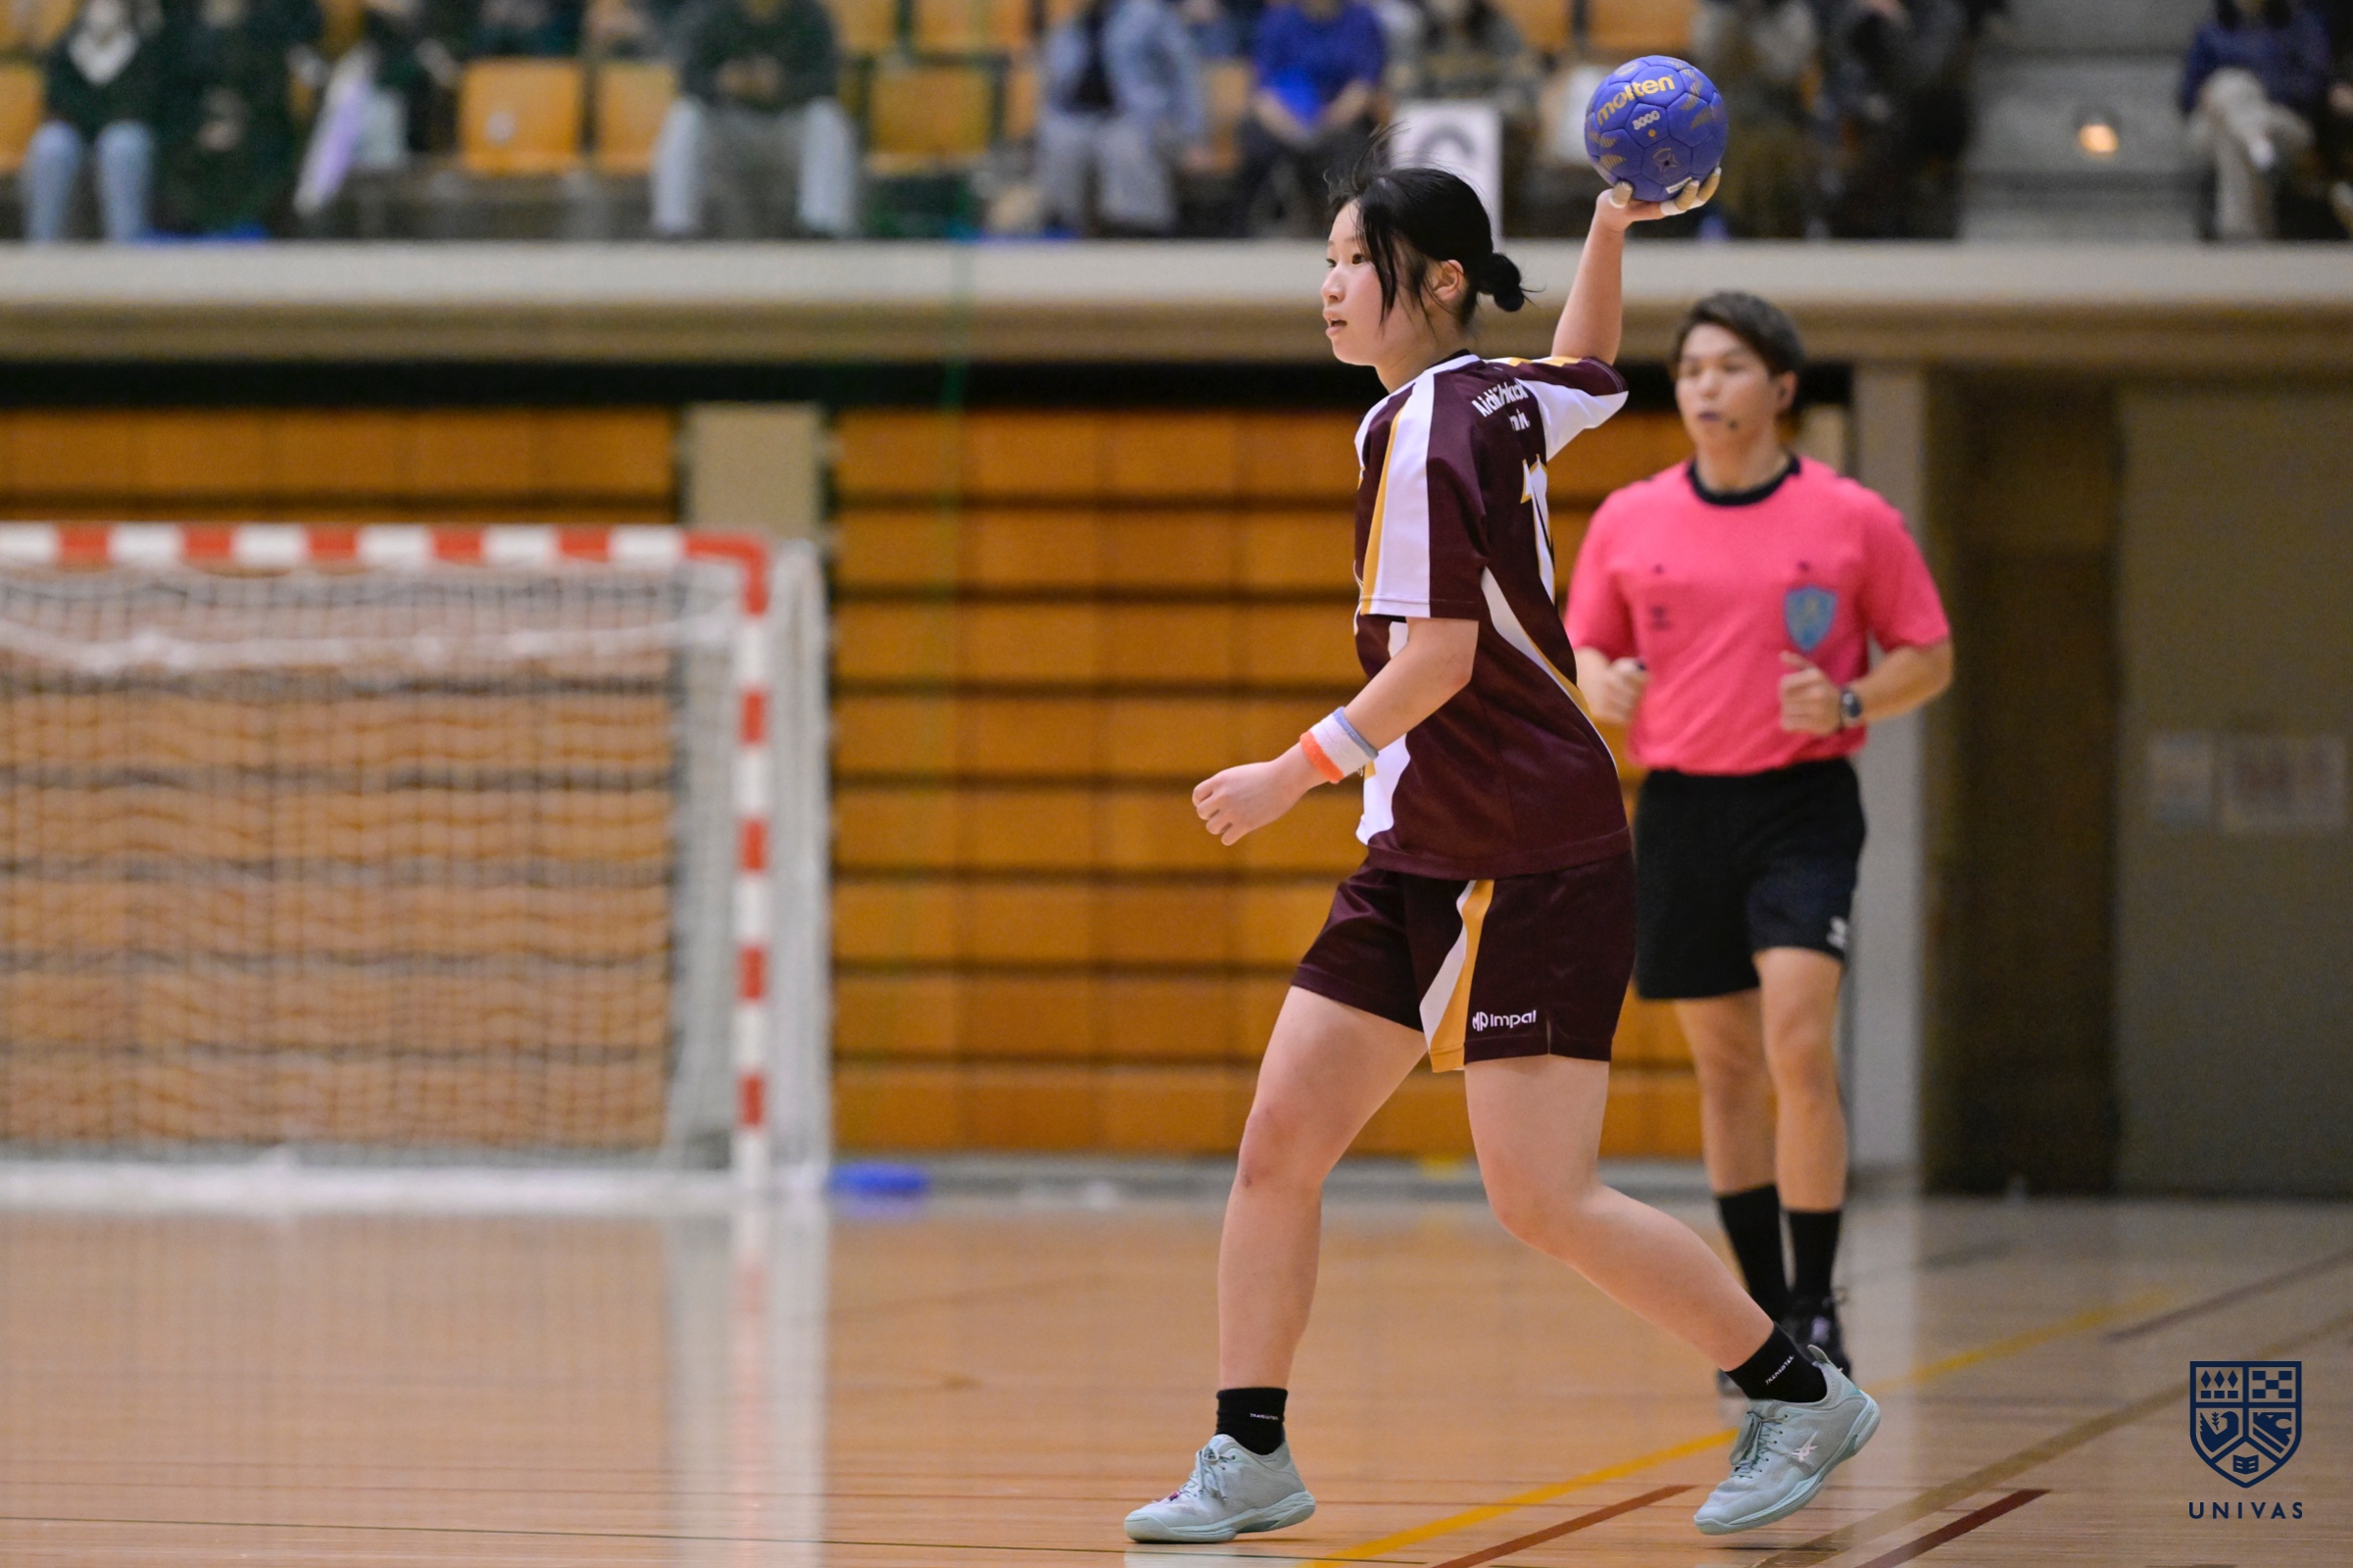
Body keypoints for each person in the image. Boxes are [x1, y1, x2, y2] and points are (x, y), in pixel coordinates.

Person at [1123, 164, 1883, 1548]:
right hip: (1422, 844)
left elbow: (1437, 660)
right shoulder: (1494, 395)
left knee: (1542, 1198)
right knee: (1279, 1147)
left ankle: (1797, 1391)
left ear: (1438, 282)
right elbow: (1591, 366)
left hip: (1526, 848)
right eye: (1326, 260)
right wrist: (1609, 222)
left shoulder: (1427, 429)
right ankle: (1250, 1451)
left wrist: (1290, 772)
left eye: (1354, 260)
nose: (1329, 285)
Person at [1564, 291, 1953, 1388]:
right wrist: (1603, 682)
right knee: (1726, 1068)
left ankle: (1818, 1302)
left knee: (1794, 1036)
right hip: (1682, 810)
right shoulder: (1630, 519)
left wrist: (1851, 699)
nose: (1704, 385)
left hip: (1800, 807)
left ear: (1780, 389)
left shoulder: (1852, 517)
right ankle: (1764, 1317)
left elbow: (1927, 654)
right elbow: (1586, 651)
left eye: (1728, 367)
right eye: (1690, 368)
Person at [650, 0, 856, 237]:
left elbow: (827, 81)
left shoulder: (810, 15)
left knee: (826, 117)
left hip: (787, 128)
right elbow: (687, 80)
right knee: (685, 115)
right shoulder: (709, 14)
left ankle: (823, 225)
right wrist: (722, 83)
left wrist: (782, 86)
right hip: (729, 130)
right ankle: (675, 225)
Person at [1036, 0, 1206, 235]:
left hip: (1139, 117)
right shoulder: (1071, 26)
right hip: (1080, 117)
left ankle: (1136, 231)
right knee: (1060, 141)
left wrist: (1194, 135)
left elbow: (1185, 73)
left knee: (1124, 145)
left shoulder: (1150, 14)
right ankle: (1063, 227)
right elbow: (1055, 87)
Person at [156, 0, 322, 236]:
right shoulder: (182, 25)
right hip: (193, 125)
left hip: (255, 124)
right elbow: (173, 92)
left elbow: (272, 90)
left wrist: (240, 124)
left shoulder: (267, 25)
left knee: (269, 150)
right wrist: (201, 128)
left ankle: (252, 221)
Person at [2181, 0, 2334, 239]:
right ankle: (2259, 148)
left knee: (2231, 125)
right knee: (2228, 86)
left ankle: (2239, 232)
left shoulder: (2299, 27)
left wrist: (2257, 87)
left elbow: (2313, 86)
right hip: (2214, 121)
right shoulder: (2210, 31)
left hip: (2280, 119)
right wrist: (2208, 94)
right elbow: (2187, 94)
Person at [1819, 0, 1970, 238]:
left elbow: (1922, 74)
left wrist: (1894, 25)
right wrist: (1860, 19)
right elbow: (1837, 61)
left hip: (1914, 120)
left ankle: (1891, 224)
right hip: (1856, 113)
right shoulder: (1854, 8)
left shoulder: (1940, 12)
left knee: (1894, 136)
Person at [1231, 0, 1383, 232]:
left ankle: (1345, 225)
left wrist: (1332, 119)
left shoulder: (1362, 20)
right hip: (1283, 117)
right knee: (1254, 139)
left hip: (1340, 116)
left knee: (1353, 145)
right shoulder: (1278, 21)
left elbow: (1364, 83)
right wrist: (1291, 128)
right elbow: (1262, 89)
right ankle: (1243, 225)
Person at [25, 0, 162, 242]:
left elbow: (144, 104)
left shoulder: (144, 50)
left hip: (121, 136)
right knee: (50, 144)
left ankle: (126, 244)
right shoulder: (65, 48)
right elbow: (56, 101)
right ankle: (43, 244)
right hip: (74, 135)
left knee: (121, 145)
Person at [1690, 0, 1817, 237]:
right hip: (1725, 112)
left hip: (1778, 113)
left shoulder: (1790, 10)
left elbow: (1785, 69)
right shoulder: (1715, 10)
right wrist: (1734, 24)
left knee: (1768, 148)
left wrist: (1753, 28)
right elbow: (1707, 63)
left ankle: (1773, 226)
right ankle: (1729, 221)